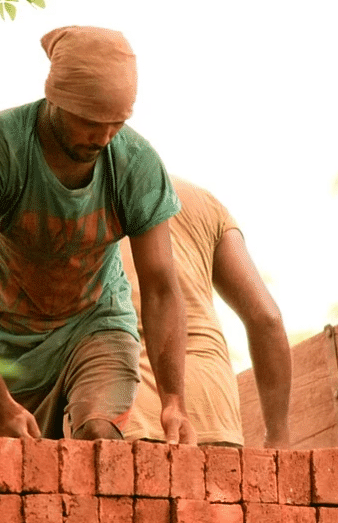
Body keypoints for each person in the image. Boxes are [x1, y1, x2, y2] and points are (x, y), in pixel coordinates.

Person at [0, 26, 195, 444]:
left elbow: (162, 287)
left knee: (99, 432)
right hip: (8, 340)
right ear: (55, 99)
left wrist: (173, 400)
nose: (103, 137)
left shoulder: (135, 163)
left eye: (116, 123)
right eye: (90, 122)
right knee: (11, 464)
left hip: (97, 322)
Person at [120, 176, 291, 447]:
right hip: (213, 410)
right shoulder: (205, 203)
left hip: (131, 403)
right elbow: (267, 318)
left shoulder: (95, 193)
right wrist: (278, 437)